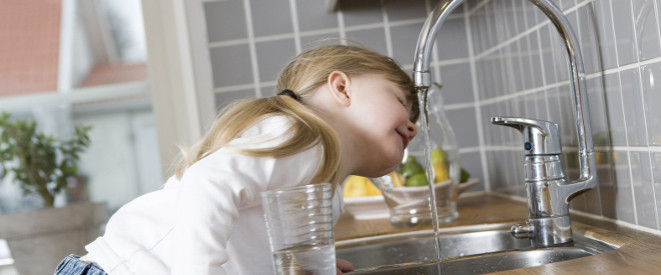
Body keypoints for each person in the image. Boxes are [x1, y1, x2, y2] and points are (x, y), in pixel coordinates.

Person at [54, 44, 419, 275]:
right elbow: (207, 185)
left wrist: (306, 267)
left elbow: (247, 243)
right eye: (403, 102)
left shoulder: (326, 186)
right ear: (341, 87)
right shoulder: (302, 138)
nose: (413, 126)